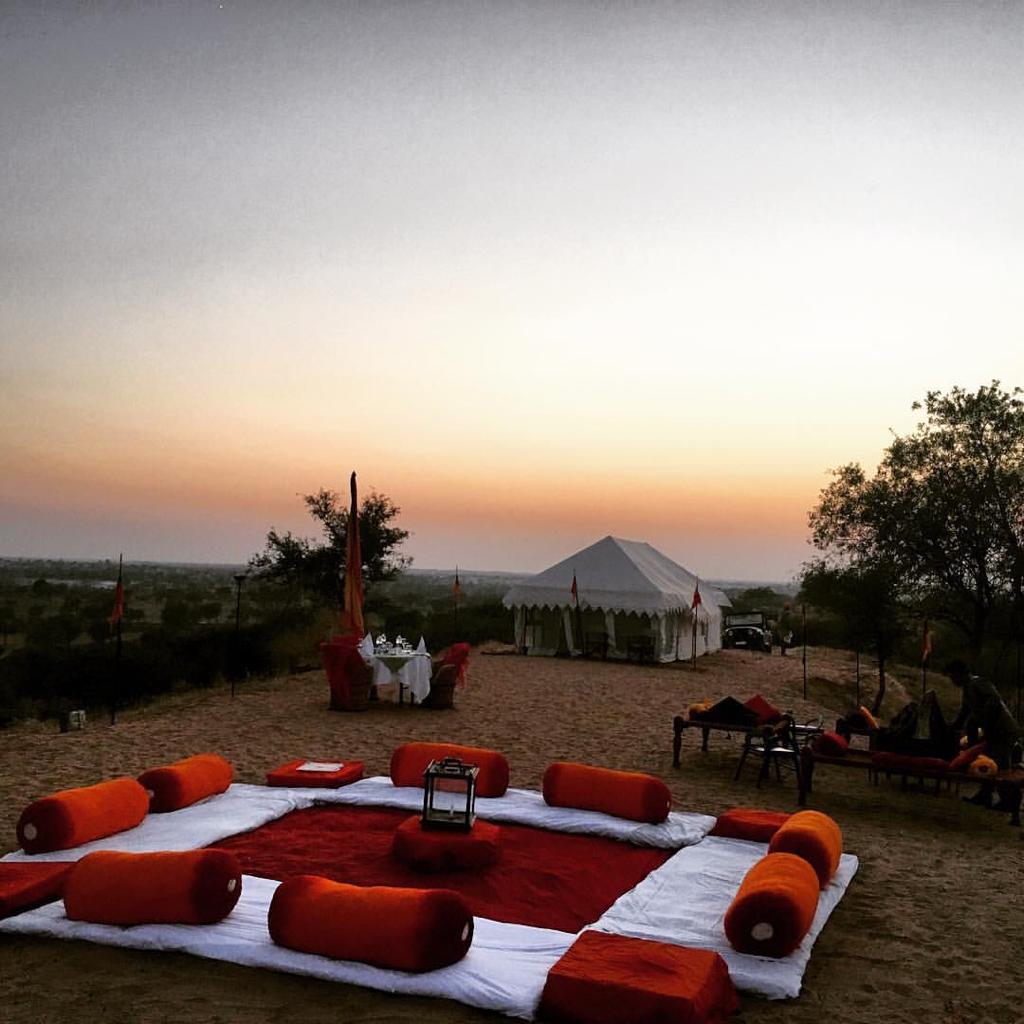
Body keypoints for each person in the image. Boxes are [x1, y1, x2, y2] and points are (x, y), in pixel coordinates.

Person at [946, 659, 1021, 809]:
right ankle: (985, 795)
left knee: (1001, 764)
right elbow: (965, 712)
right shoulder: (968, 689)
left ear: (960, 674)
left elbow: (993, 701)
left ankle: (1009, 801)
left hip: (1003, 730)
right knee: (988, 762)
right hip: (993, 731)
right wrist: (953, 728)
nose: (952, 681)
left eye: (953, 677)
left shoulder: (978, 683)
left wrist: (979, 721)